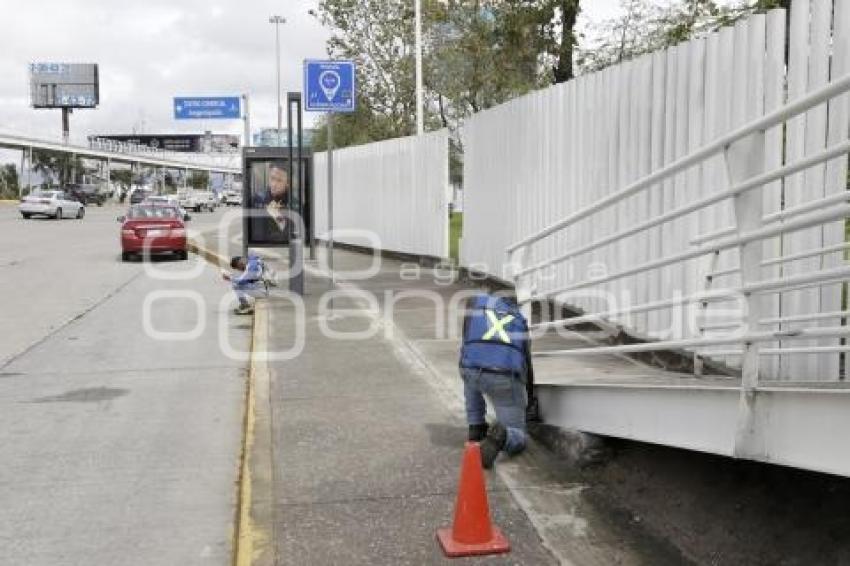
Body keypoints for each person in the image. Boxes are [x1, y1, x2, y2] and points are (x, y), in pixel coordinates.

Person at [459, 293, 538, 468]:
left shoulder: (476, 306)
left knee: (470, 370)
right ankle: (504, 436)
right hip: (503, 378)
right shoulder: (519, 319)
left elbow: (465, 345)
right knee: (519, 436)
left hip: (471, 371)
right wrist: (529, 398)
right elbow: (525, 364)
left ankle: (476, 426)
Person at [250, 163, 290, 243]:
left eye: (279, 180)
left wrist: (278, 218)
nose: (274, 184)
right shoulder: (258, 199)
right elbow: (256, 234)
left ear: (287, 184)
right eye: (272, 178)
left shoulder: (294, 203)